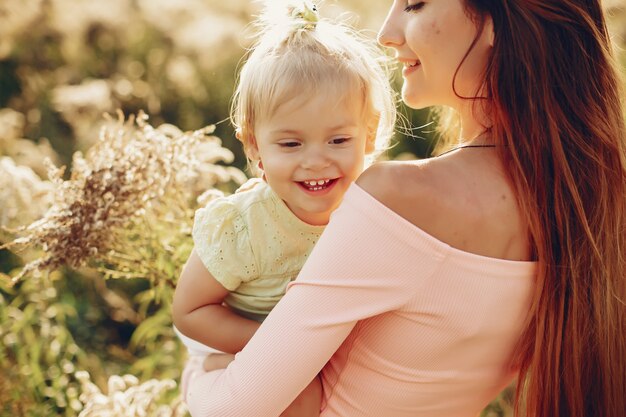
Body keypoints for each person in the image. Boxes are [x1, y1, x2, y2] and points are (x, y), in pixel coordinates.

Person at [182, 1, 626, 416]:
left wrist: (193, 378)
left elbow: (232, 408)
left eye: (415, 3)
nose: (385, 32)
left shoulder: (399, 200)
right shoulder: (591, 207)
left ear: (494, 19)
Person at [171, 1, 395, 415]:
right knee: (302, 399)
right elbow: (190, 311)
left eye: (338, 141)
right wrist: (273, 346)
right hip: (234, 341)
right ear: (253, 146)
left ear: (369, 134)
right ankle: (211, 378)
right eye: (291, 144)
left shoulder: (373, 210)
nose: (316, 161)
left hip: (313, 344)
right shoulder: (245, 225)